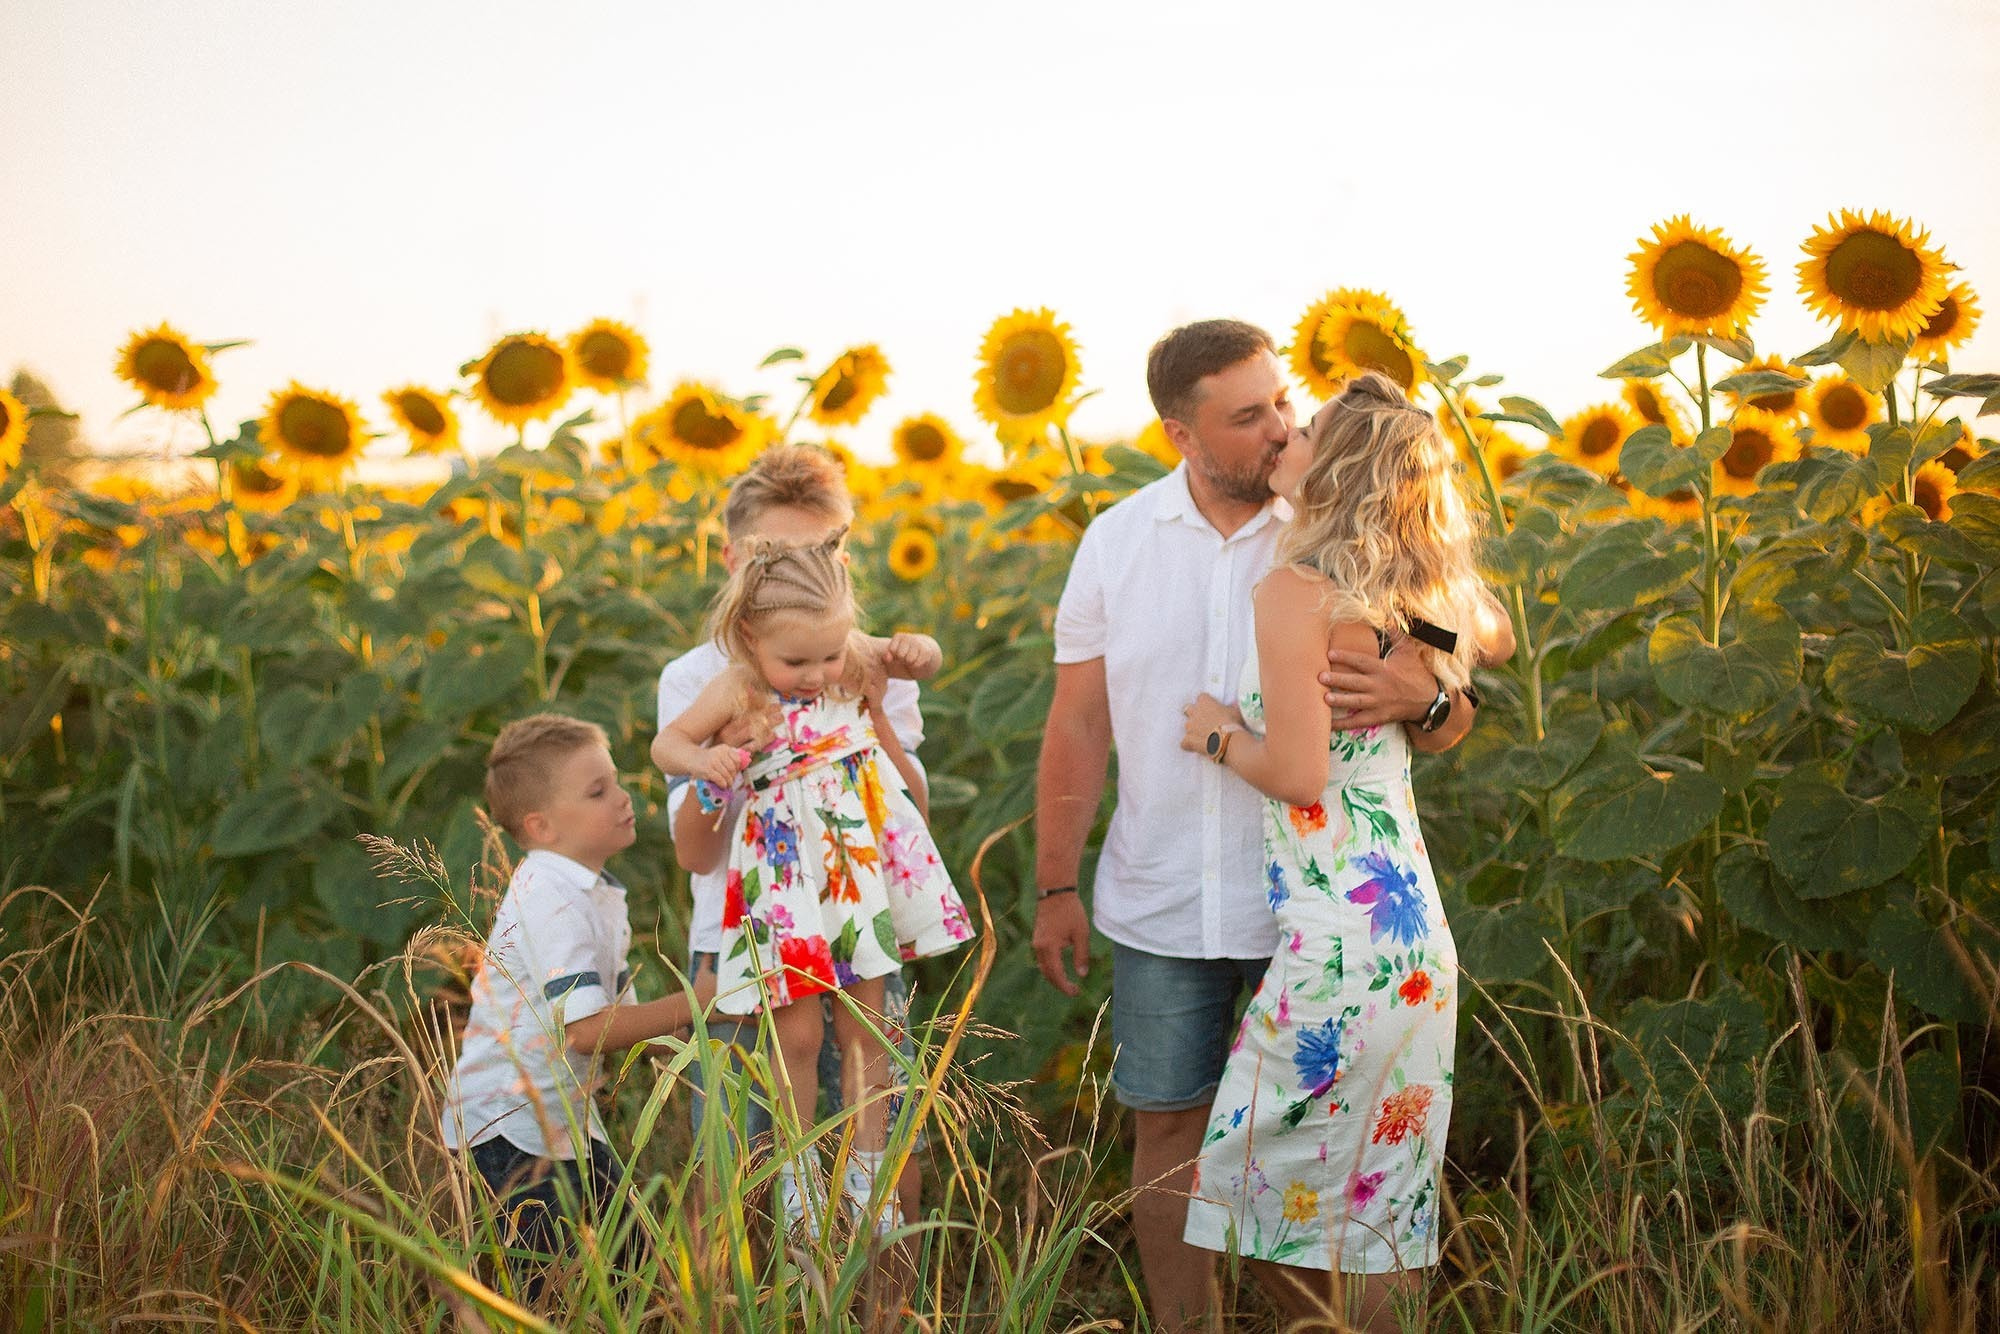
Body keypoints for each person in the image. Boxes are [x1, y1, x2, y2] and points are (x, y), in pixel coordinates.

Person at [1032, 320, 1502, 1332]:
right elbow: (1076, 721)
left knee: (1299, 1169)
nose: (1278, 427)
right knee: (1173, 1130)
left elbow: (1463, 660)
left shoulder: (1331, 541)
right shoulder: (1118, 541)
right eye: (1249, 416)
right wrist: (1054, 882)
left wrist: (1423, 691)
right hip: (1164, 893)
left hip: (1312, 919)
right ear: (1181, 432)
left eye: (1285, 406)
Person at [1177, 372, 1504, 1331]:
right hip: (1411, 945)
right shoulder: (1397, 598)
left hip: (1340, 944)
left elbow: (1297, 773)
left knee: (1254, 1188)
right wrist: (1426, 670)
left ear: (1340, 468)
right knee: (1379, 1205)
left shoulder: (1295, 592)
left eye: (1309, 430)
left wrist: (1217, 733)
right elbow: (1489, 632)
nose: (1286, 435)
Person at [653, 533, 974, 1236]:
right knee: (794, 1035)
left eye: (827, 656)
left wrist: (918, 650)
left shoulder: (848, 655)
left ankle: (868, 1171)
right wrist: (708, 762)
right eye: (796, 661)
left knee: (868, 1025)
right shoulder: (736, 687)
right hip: (784, 873)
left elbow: (919, 656)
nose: (816, 673)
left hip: (853, 867)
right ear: (748, 635)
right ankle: (798, 1178)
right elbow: (666, 744)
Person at [441, 713, 712, 1283]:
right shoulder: (551, 898)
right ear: (541, 826)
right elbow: (588, 1031)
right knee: (552, 1284)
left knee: (633, 1264)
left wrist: (698, 1035)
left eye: (615, 781)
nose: (623, 797)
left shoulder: (590, 891)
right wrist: (700, 999)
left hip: (562, 1123)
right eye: (597, 791)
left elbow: (625, 1022)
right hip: (509, 1129)